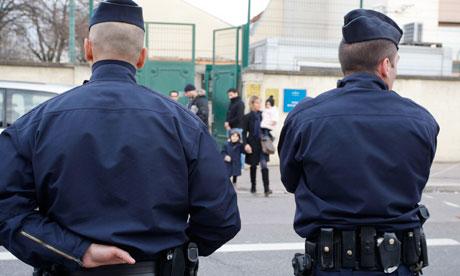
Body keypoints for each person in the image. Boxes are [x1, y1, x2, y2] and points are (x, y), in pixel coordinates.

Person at [0, 1, 240, 275]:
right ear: (142, 57)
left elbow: (6, 210)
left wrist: (76, 250)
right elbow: (222, 218)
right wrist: (174, 251)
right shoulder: (184, 125)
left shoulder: (36, 123)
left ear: (88, 49)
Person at [279, 9, 438, 276]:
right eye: (396, 63)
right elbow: (415, 180)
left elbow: (290, 180)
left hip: (329, 266)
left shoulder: (304, 118)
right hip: (397, 265)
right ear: (385, 65)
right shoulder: (422, 120)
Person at [242, 96, 272, 197]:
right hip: (252, 143)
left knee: (264, 165)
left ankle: (266, 188)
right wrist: (245, 144)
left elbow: (269, 127)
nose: (259, 105)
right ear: (252, 104)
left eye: (260, 103)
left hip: (263, 143)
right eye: (257, 103)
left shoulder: (264, 115)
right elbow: (244, 133)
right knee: (253, 165)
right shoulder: (247, 117)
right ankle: (253, 186)